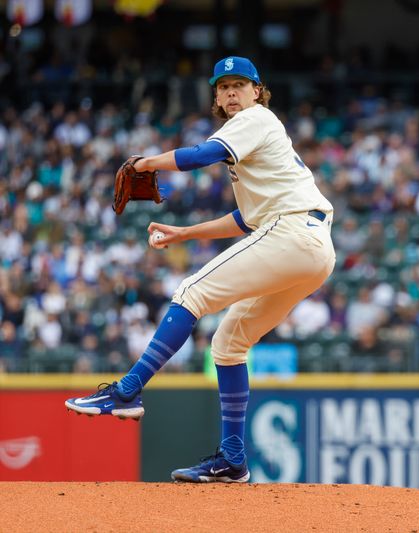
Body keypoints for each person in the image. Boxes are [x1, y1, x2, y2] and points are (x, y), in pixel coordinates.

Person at [65, 56, 336, 483]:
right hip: (309, 246)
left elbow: (200, 155)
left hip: (294, 232)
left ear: (257, 90)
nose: (231, 93)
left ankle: (127, 392)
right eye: (223, 86)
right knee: (228, 344)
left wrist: (145, 164)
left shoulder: (255, 120)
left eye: (240, 85)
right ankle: (232, 459)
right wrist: (185, 233)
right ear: (215, 94)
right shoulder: (250, 138)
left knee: (190, 292)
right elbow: (248, 220)